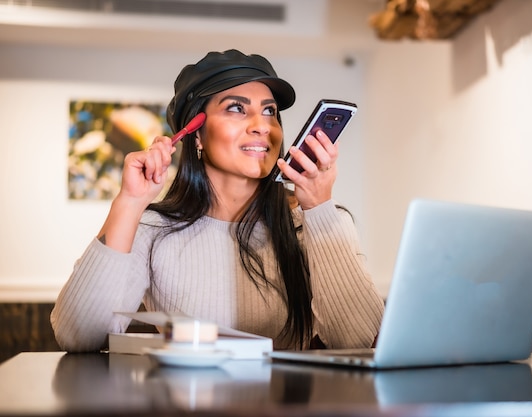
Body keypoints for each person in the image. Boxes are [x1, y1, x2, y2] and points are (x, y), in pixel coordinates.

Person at [51, 49, 385, 352]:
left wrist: (320, 208)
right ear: (196, 134)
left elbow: (360, 342)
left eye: (269, 112)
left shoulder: (310, 223)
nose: (262, 126)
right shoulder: (153, 230)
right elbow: (78, 336)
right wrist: (129, 202)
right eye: (237, 108)